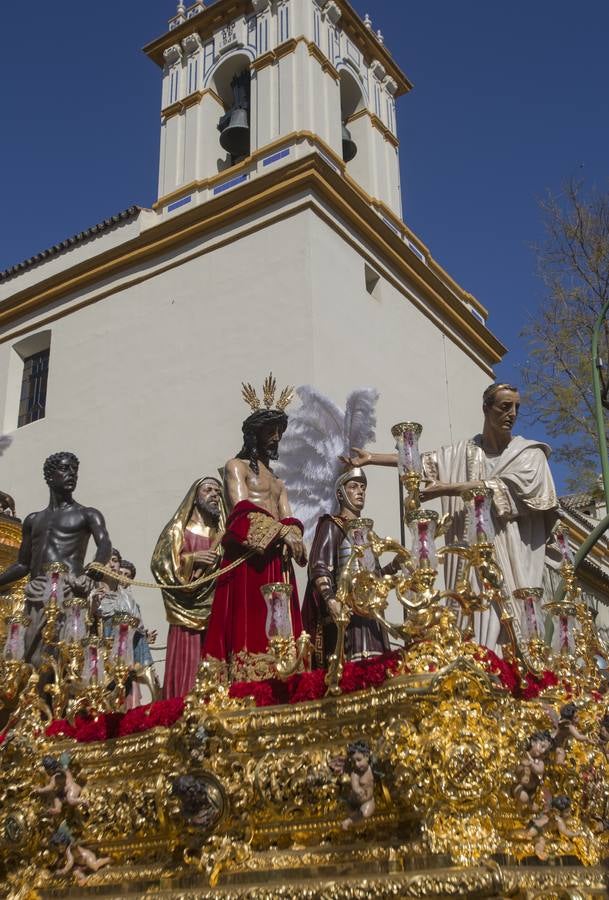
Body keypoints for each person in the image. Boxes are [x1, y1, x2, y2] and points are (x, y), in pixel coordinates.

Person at [344, 384, 558, 652]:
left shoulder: (530, 454)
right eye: (505, 406)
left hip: (511, 553)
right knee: (475, 612)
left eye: (516, 407)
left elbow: (507, 488)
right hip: (471, 555)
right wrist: (372, 458)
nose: (512, 414)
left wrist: (449, 488)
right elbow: (421, 462)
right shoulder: (466, 452)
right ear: (486, 409)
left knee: (511, 620)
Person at [202, 377, 307, 682]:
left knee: (282, 629)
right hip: (248, 557)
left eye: (278, 433)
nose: (275, 438)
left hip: (277, 560)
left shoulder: (278, 481)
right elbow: (241, 508)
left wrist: (294, 535)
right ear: (255, 434)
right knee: (250, 622)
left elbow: (288, 517)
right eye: (270, 432)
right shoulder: (237, 466)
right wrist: (281, 532)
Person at [0, 452, 112, 665]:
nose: (72, 474)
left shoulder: (87, 514)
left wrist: (94, 569)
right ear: (50, 477)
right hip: (36, 593)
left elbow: (104, 544)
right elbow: (23, 564)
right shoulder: (33, 520)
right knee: (30, 658)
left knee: (61, 656)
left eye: (74, 470)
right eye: (65, 469)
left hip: (68, 591)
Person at [302, 468, 392, 667]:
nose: (360, 491)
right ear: (340, 494)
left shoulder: (368, 532)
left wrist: (393, 567)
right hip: (347, 615)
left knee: (376, 668)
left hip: (370, 617)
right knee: (350, 669)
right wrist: (331, 600)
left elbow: (373, 577)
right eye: (353, 487)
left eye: (363, 487)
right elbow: (319, 567)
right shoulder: (331, 525)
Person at [151, 477, 226, 698]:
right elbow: (160, 563)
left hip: (215, 608)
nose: (214, 494)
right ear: (195, 497)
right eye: (208, 490)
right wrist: (193, 559)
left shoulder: (219, 534)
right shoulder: (178, 530)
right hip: (186, 610)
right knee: (188, 662)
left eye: (217, 491)